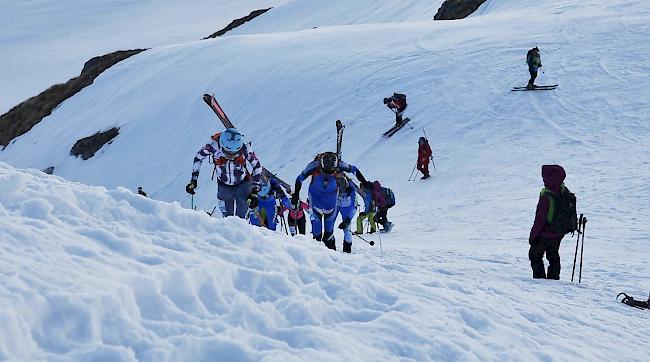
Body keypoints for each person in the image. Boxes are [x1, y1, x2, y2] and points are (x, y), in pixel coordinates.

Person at [293, 151, 367, 250]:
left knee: (329, 232)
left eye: (332, 172)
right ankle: (316, 253)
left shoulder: (340, 165)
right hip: (315, 200)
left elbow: (354, 169)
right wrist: (296, 195)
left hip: (331, 202)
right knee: (316, 231)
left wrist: (364, 182)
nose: (330, 174)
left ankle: (331, 255)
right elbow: (300, 178)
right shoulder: (314, 166)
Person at [186, 128, 262, 218]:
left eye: (234, 153)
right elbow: (198, 157)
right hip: (224, 186)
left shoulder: (244, 147)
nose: (231, 156)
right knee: (227, 218)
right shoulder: (213, 145)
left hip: (243, 184)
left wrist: (254, 191)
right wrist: (193, 180)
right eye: (228, 152)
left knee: (241, 217)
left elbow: (257, 166)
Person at [528, 165, 569, 280]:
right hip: (559, 233)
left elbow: (540, 220)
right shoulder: (564, 191)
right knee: (553, 256)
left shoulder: (547, 196)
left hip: (545, 233)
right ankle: (554, 279)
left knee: (535, 255)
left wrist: (532, 237)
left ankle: (540, 280)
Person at [336, 177, 357, 253]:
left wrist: (348, 220)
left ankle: (347, 249)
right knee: (329, 224)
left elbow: (354, 207)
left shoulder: (352, 190)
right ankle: (329, 246)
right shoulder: (334, 188)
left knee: (347, 229)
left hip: (347, 209)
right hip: (336, 206)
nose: (341, 192)